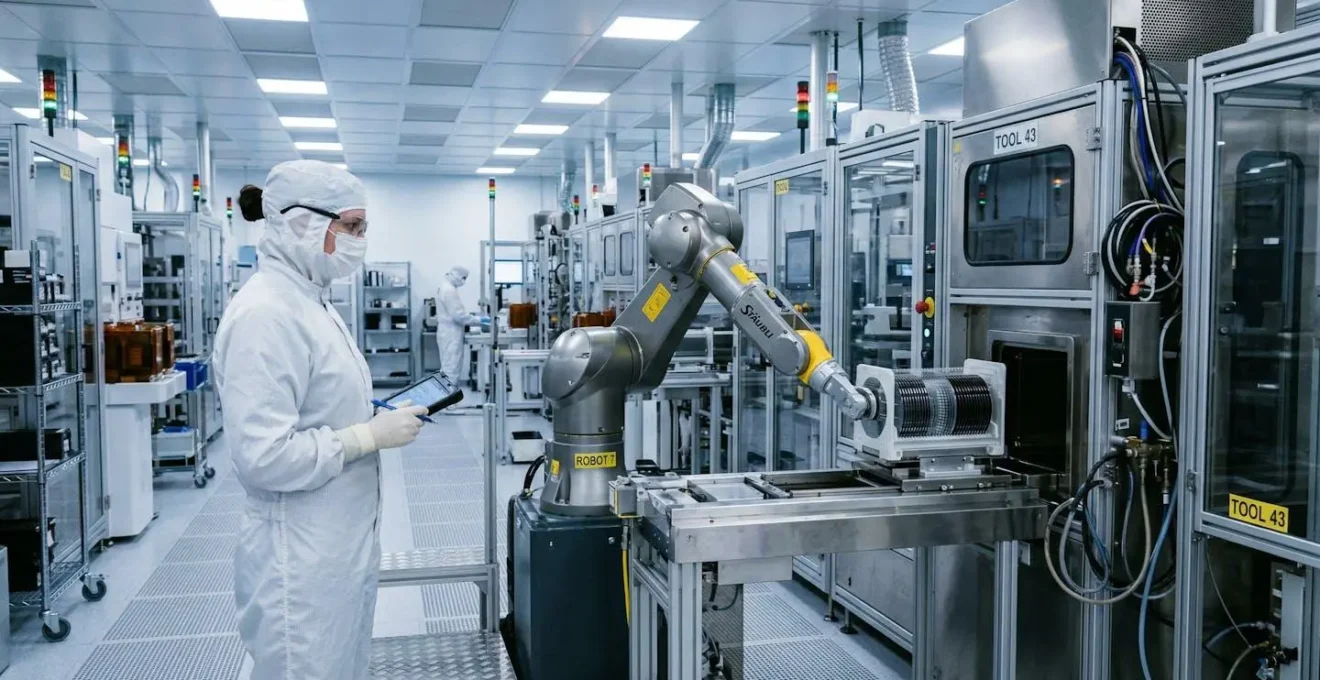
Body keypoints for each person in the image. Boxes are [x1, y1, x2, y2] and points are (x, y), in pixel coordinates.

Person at [214, 160, 428, 680]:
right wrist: (363, 437)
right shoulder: (267, 314)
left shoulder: (310, 301)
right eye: (352, 227)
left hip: (334, 545)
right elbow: (263, 457)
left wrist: (368, 417)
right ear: (301, 223)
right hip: (299, 557)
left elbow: (316, 404)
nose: (360, 240)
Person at [436, 266, 481, 385]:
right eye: (464, 278)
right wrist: (478, 320)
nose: (464, 281)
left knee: (447, 367)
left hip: (447, 331)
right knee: (452, 368)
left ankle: (447, 400)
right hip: (451, 332)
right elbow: (458, 315)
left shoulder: (444, 286)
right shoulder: (449, 290)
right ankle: (449, 402)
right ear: (457, 275)